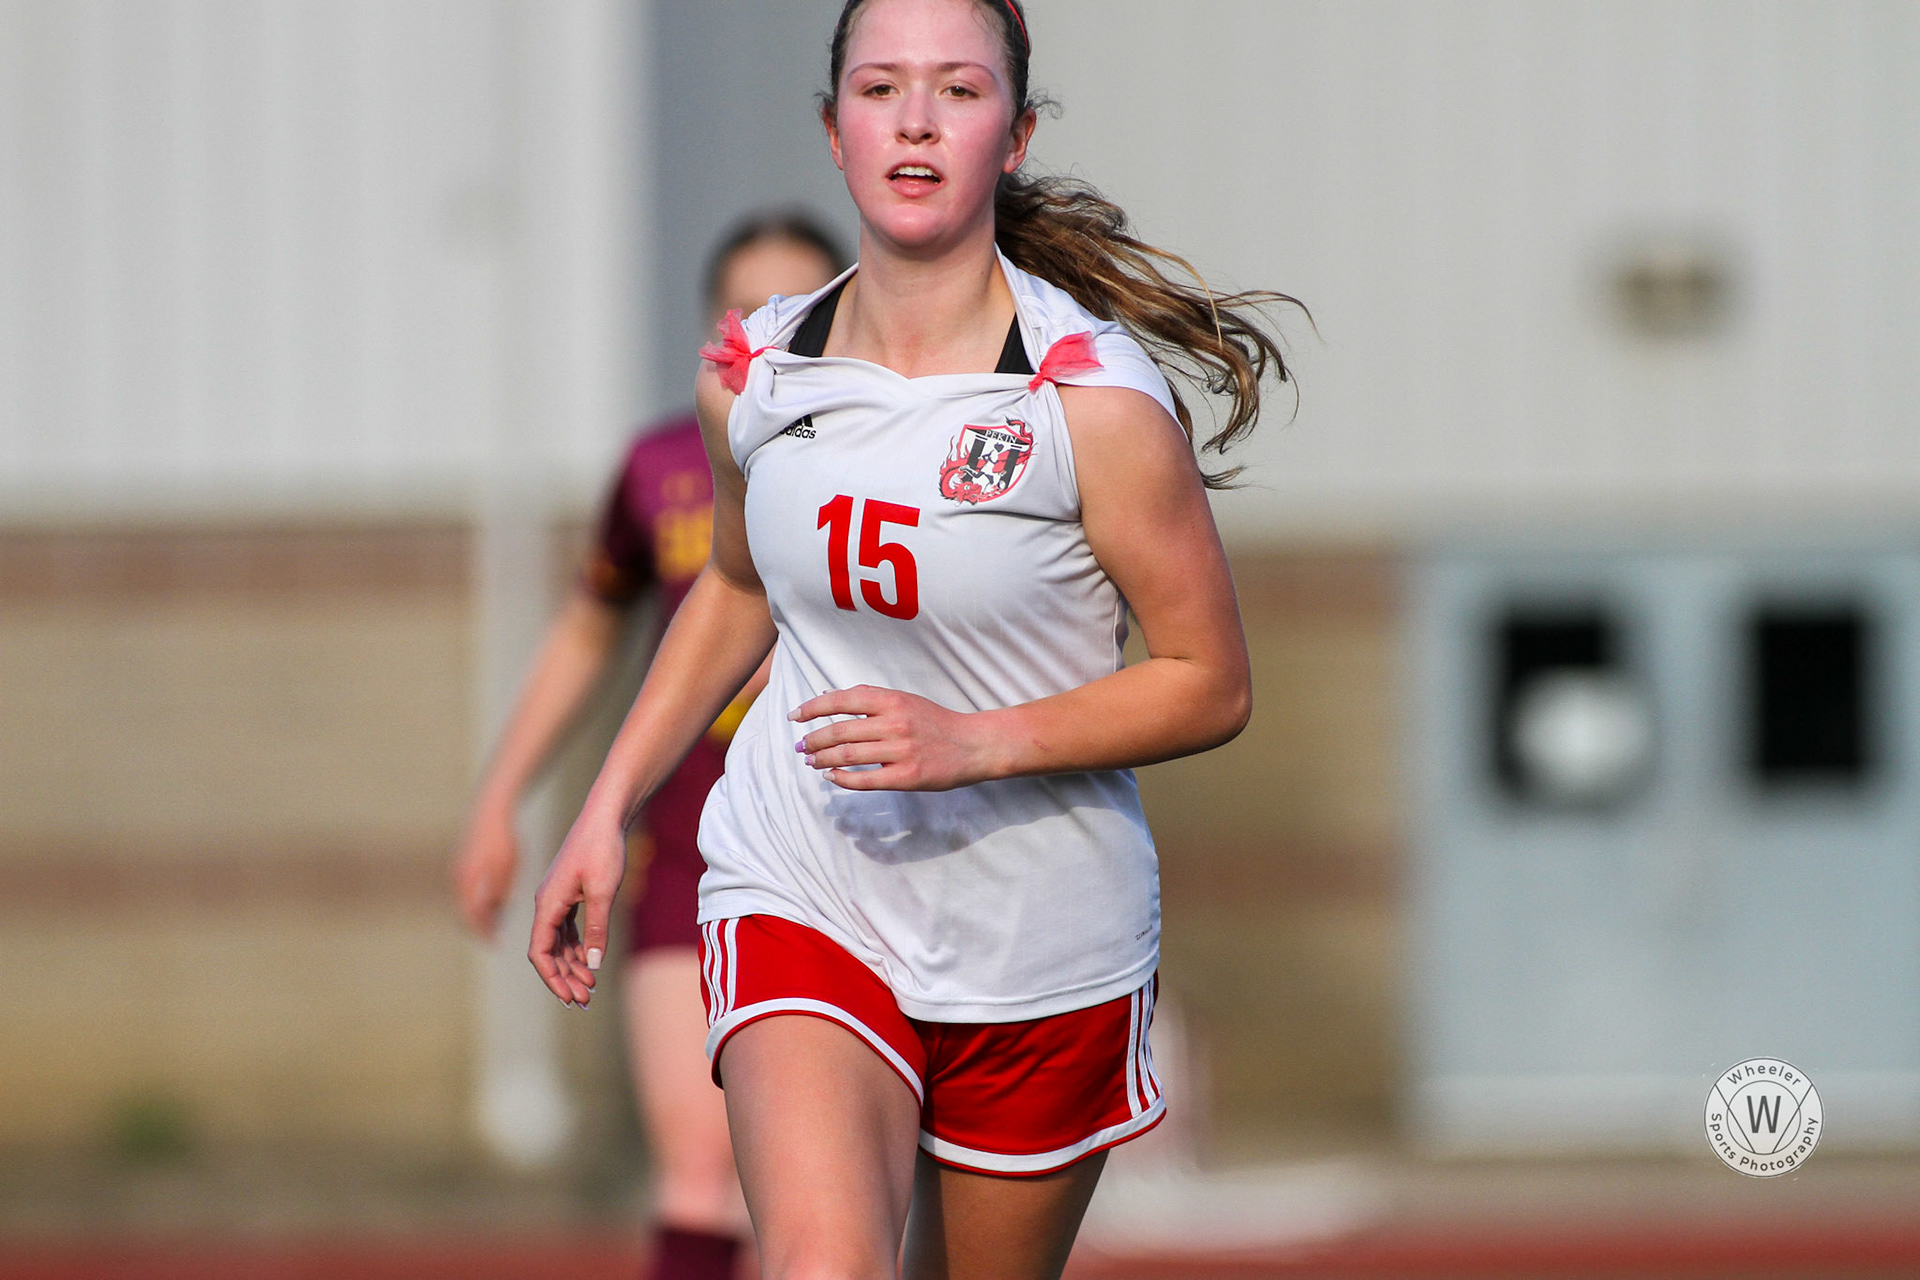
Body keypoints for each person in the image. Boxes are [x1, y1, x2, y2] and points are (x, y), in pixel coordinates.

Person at [528, 1, 1303, 1276]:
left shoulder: (1092, 399)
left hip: (1038, 935)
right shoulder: (756, 374)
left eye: (959, 89)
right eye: (882, 89)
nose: (918, 122)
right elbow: (738, 582)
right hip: (805, 878)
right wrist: (608, 804)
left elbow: (1209, 683)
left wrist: (974, 742)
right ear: (834, 130)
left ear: (1016, 134)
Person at [454, 212, 845, 1280]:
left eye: (800, 310)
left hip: (854, 829)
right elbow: (590, 626)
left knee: (830, 1195)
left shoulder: (892, 454)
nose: (772, 333)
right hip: (692, 839)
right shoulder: (665, 465)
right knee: (698, 1163)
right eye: (748, 310)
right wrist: (500, 799)